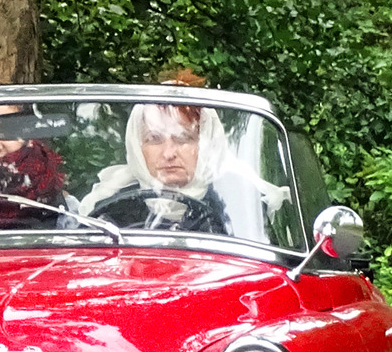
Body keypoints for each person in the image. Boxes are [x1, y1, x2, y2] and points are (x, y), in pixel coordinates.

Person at [76, 70, 288, 240]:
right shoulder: (109, 206)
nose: (168, 153)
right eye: (154, 139)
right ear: (137, 145)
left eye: (183, 138)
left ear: (207, 142)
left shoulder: (241, 201)